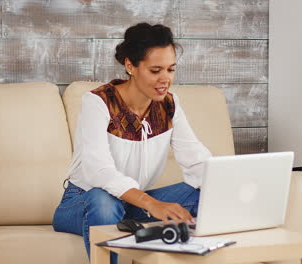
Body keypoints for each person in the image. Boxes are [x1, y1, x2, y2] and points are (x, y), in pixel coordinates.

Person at [52, 22, 212, 263]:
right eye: (155, 70)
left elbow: (196, 159)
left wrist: (226, 181)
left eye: (170, 69)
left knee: (204, 194)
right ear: (130, 66)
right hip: (83, 201)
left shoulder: (170, 104)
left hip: (131, 204)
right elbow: (99, 171)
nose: (165, 79)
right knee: (103, 201)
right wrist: (153, 204)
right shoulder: (98, 102)